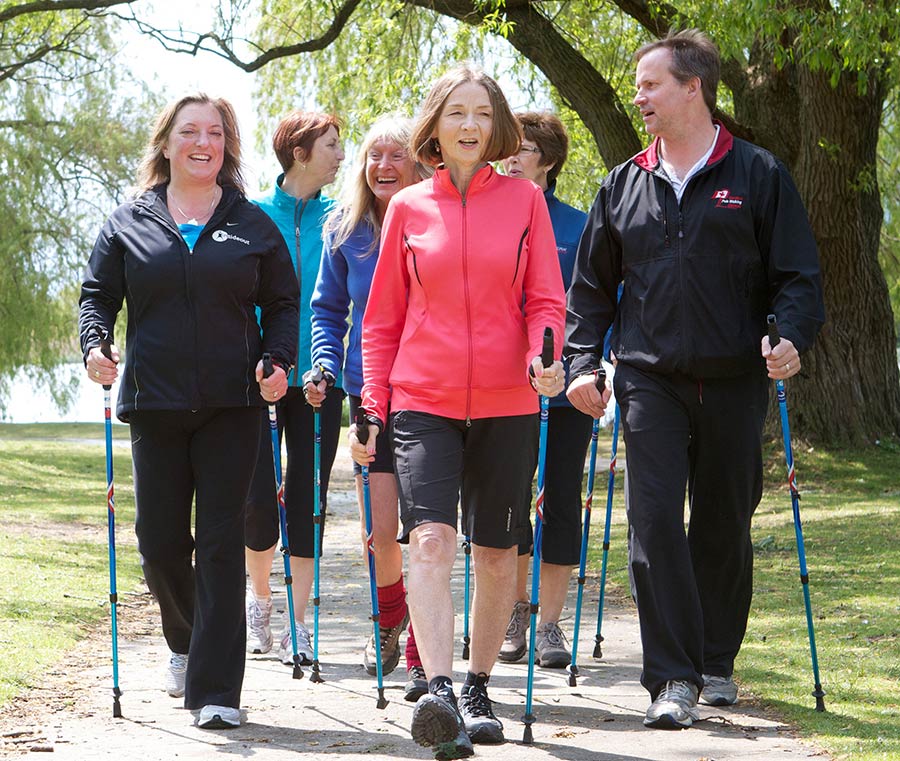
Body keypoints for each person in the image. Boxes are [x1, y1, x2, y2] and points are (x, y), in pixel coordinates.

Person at [565, 29, 825, 729]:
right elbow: (590, 292)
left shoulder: (759, 175)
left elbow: (797, 277)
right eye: (638, 85)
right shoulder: (622, 184)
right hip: (649, 380)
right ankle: (672, 677)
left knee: (722, 521)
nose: (638, 96)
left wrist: (791, 336)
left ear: (692, 88)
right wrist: (584, 365)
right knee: (651, 523)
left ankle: (715, 659)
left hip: (736, 379)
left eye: (650, 84)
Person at [350, 63, 566, 756]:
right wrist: (372, 403)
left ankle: (477, 682)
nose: (470, 125)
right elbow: (382, 318)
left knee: (499, 551)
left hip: (509, 398)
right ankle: (439, 687)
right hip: (424, 399)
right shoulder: (410, 207)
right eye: (456, 113)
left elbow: (545, 299)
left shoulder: (525, 201)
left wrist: (544, 353)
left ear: (495, 124)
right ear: (435, 127)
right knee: (431, 540)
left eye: (481, 113)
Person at [78, 93, 298, 729]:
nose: (203, 142)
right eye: (189, 131)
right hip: (155, 403)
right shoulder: (128, 222)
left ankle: (216, 692)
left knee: (224, 543)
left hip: (236, 403)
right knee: (160, 542)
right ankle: (186, 640)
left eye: (216, 133)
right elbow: (97, 295)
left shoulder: (254, 224)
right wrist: (96, 345)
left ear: (226, 147)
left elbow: (283, 305)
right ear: (167, 143)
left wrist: (278, 360)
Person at [307, 114, 427, 701]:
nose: (384, 166)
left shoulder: (436, 219)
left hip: (432, 391)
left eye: (396, 155)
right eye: (374, 156)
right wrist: (325, 364)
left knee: (426, 526)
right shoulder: (344, 229)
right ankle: (390, 618)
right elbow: (326, 311)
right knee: (381, 528)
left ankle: (421, 652)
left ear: (418, 162)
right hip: (368, 393)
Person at [242, 110, 346, 666]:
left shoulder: (345, 218)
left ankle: (299, 623)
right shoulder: (254, 215)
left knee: (308, 499)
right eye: (332, 145)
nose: (341, 155)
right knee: (257, 501)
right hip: (258, 380)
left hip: (322, 382)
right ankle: (259, 601)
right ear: (300, 152)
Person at [498, 111, 592, 669]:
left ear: (550, 161)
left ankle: (550, 625)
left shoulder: (579, 227)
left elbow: (597, 306)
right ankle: (513, 612)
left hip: (566, 389)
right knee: (508, 502)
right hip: (502, 388)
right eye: (507, 147)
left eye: (525, 148)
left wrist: (591, 369)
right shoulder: (487, 215)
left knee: (561, 497)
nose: (511, 156)